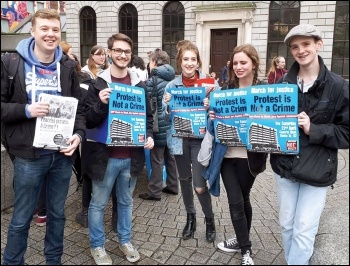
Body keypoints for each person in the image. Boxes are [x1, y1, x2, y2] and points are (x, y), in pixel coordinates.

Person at [1, 8, 85, 265]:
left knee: (57, 215)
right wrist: (26, 110)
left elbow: (78, 108)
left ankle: (53, 261)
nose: (50, 34)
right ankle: (13, 262)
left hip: (61, 155)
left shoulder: (68, 66)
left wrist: (79, 136)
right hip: (28, 156)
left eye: (55, 29)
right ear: (33, 31)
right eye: (45, 29)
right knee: (22, 216)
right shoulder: (10, 62)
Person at [270, 24, 349, 265]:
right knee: (286, 226)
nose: (301, 50)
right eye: (295, 47)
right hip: (285, 167)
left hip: (317, 169)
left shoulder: (338, 86)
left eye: (306, 44)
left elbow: (347, 132)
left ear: (318, 44)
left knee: (304, 230)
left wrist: (313, 129)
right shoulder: (282, 85)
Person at [84, 33, 154, 265]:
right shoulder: (98, 84)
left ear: (130, 54)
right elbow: (88, 120)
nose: (122, 55)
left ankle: (125, 240)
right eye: (118, 50)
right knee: (98, 203)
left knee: (126, 202)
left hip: (131, 157)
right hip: (105, 158)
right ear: (110, 53)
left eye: (126, 51)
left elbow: (148, 117)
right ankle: (97, 245)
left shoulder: (140, 85)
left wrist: (150, 136)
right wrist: (100, 103)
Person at [206, 44, 268, 265]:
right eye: (236, 63)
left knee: (244, 199)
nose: (239, 67)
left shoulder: (264, 91)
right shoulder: (224, 91)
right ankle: (246, 251)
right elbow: (212, 126)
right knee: (235, 201)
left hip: (250, 159)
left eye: (244, 62)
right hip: (226, 156)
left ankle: (241, 240)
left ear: (254, 64)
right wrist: (211, 115)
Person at [162, 41, 220, 243]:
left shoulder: (209, 83)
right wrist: (168, 106)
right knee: (184, 181)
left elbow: (221, 111)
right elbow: (165, 116)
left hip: (200, 141)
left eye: (193, 59)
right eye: (185, 59)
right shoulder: (171, 86)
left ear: (198, 62)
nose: (189, 63)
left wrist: (210, 105)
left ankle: (210, 219)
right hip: (179, 140)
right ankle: (190, 218)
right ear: (179, 62)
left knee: (199, 184)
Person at [74, 46, 118, 231]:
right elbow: (84, 108)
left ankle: (115, 215)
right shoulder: (85, 76)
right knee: (90, 171)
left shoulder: (108, 75)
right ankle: (86, 211)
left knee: (112, 173)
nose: (101, 57)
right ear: (91, 56)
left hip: (111, 132)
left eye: (103, 54)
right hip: (92, 132)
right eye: (98, 54)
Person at [139, 49, 179, 201]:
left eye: (150, 62)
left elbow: (147, 104)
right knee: (171, 157)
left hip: (157, 127)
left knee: (156, 159)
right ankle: (173, 186)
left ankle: (154, 191)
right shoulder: (174, 80)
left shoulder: (151, 81)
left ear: (154, 62)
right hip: (172, 125)